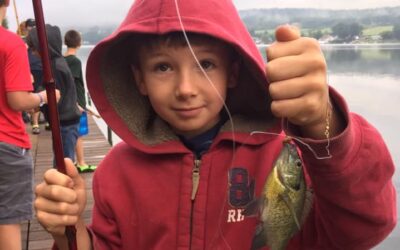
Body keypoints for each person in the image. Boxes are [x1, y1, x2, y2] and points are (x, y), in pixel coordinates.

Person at [34, 0, 396, 249]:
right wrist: (71, 233)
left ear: (234, 72)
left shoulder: (287, 154)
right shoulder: (116, 171)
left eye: (205, 64)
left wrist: (323, 123)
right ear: (139, 79)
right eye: (163, 67)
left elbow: (365, 227)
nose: (186, 89)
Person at [0, 1, 56, 249]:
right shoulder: (11, 43)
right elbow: (18, 100)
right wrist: (44, 97)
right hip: (6, 145)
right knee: (7, 221)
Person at [26, 24, 81, 163]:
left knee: (64, 163)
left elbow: (55, 96)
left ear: (45, 47)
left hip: (65, 122)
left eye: (34, 48)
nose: (32, 53)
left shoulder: (56, 67)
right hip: (63, 121)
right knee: (61, 158)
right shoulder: (56, 63)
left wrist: (38, 104)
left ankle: (67, 183)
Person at [64, 29, 97, 172]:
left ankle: (79, 162)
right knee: (79, 134)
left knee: (75, 133)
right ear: (79, 43)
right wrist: (79, 104)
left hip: (69, 103)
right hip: (77, 104)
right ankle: (81, 163)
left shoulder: (62, 60)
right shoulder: (75, 61)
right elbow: (72, 83)